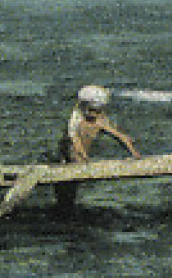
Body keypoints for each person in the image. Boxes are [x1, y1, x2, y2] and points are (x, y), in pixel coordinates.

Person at [54, 85, 141, 213]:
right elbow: (74, 141)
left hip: (78, 159)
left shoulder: (99, 119)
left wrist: (134, 153)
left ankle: (66, 211)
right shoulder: (77, 119)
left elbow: (120, 137)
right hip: (68, 160)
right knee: (66, 196)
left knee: (68, 198)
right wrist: (83, 158)